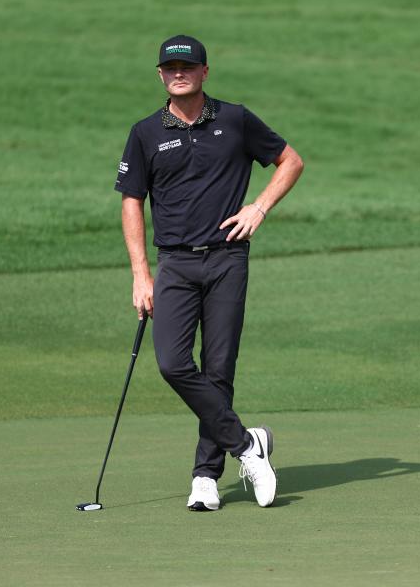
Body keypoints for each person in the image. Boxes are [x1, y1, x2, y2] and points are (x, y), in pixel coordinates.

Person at [114, 35, 304, 510]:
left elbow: (290, 161)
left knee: (219, 369)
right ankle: (246, 444)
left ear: (204, 72)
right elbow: (132, 200)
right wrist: (141, 274)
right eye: (170, 67)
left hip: (226, 258)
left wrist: (259, 207)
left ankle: (205, 477)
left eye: (188, 67)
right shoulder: (145, 133)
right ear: (161, 75)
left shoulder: (235, 120)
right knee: (173, 364)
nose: (180, 73)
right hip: (174, 262)